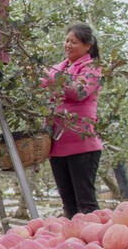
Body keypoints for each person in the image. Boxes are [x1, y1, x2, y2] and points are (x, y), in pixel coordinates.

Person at [42, 23, 104, 218]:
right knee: (69, 205)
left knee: (85, 203)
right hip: (58, 144)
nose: (67, 45)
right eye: (67, 40)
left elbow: (79, 92)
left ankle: (95, 242)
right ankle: (73, 242)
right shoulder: (61, 67)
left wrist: (50, 77)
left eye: (73, 42)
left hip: (82, 144)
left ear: (87, 46)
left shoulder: (92, 68)